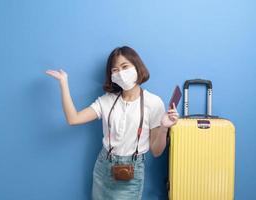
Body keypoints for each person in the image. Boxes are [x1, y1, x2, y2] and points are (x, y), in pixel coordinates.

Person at [45, 46, 179, 200]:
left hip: (131, 171)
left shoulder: (153, 102)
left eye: (125, 67)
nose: (120, 73)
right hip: (103, 166)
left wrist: (164, 128)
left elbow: (156, 151)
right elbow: (73, 119)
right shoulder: (107, 100)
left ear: (137, 67)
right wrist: (63, 83)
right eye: (114, 70)